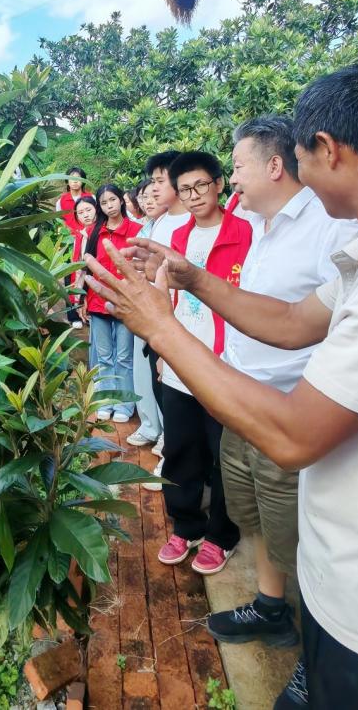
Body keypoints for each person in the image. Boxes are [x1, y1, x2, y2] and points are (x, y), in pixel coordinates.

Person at [85, 65, 358, 710]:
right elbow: (293, 322)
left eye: (300, 158)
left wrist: (159, 326)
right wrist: (193, 278)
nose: (297, 175)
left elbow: (294, 436)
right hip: (350, 583)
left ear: (327, 149)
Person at [203, 116, 358, 666]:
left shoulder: (329, 227)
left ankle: (318, 667)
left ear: (274, 166)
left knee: (302, 539)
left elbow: (329, 324)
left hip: (289, 412)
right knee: (255, 520)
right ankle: (271, 610)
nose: (231, 178)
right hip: (245, 404)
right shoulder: (260, 225)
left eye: (237, 166)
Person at [154, 150, 247, 576]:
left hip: (223, 365)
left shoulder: (246, 233)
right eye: (185, 189)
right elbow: (169, 298)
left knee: (223, 455)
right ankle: (186, 525)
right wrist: (162, 352)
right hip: (180, 363)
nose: (193, 196)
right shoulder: (178, 238)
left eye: (201, 186)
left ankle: (221, 535)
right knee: (180, 449)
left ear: (219, 183)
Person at [138, 152, 191, 488]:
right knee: (163, 392)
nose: (154, 189)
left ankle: (175, 464)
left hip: (176, 325)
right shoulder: (161, 221)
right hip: (156, 322)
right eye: (153, 181)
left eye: (160, 181)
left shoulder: (190, 223)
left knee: (179, 400)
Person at [84, 183, 140, 424]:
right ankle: (106, 401)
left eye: (113, 200)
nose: (109, 206)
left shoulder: (136, 230)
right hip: (97, 303)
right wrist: (82, 299)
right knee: (104, 357)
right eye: (104, 202)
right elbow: (87, 267)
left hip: (126, 303)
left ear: (122, 200)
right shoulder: (95, 232)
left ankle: (125, 404)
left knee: (124, 357)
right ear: (100, 206)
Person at [126, 180, 163, 449]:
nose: (148, 201)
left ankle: (166, 433)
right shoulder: (146, 228)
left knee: (162, 375)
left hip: (160, 311)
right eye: (143, 196)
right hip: (141, 305)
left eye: (153, 195)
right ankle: (150, 425)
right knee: (143, 370)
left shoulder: (173, 226)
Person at [57, 167, 92, 328]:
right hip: (70, 243)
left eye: (79, 178)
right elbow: (59, 223)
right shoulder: (61, 201)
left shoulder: (90, 198)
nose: (75, 181)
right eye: (72, 178)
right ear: (67, 181)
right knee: (70, 279)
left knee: (88, 276)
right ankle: (73, 316)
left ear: (83, 180)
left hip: (87, 240)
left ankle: (89, 312)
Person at [68, 196, 99, 333]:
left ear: (96, 209)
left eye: (88, 210)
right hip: (83, 277)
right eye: (80, 212)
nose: (85, 215)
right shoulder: (80, 234)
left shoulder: (100, 231)